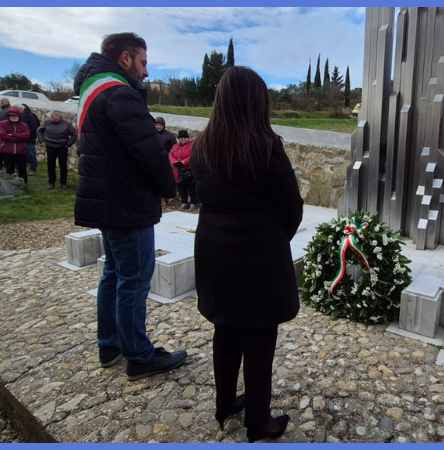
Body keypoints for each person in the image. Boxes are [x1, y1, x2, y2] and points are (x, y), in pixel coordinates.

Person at [191, 66, 303, 443]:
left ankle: (224, 404)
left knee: (225, 330)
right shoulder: (267, 145)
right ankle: (258, 421)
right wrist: (272, 238)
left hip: (214, 251)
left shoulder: (201, 144)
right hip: (258, 255)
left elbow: (204, 195)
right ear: (258, 102)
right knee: (259, 339)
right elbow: (291, 206)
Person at [73, 32, 185, 380]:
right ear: (125, 58)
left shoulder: (94, 88)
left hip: (109, 199)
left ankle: (110, 345)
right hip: (125, 201)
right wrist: (167, 187)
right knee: (134, 280)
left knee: (114, 274)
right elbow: (148, 150)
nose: (146, 72)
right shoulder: (119, 92)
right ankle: (138, 355)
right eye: (143, 62)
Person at [37, 110, 77, 189]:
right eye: (51, 115)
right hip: (50, 145)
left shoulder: (67, 123)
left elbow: (74, 134)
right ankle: (51, 182)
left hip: (62, 146)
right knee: (50, 164)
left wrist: (68, 144)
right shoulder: (47, 122)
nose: (52, 117)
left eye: (54, 115)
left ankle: (63, 182)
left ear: (59, 116)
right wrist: (42, 140)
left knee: (63, 165)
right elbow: (39, 130)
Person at [0, 107, 30, 183]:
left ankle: (24, 184)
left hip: (21, 150)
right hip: (7, 150)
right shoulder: (2, 123)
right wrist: (19, 136)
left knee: (22, 169)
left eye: (15, 116)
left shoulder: (24, 125)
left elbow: (26, 136)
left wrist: (11, 135)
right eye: (11, 115)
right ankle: (10, 185)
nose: (13, 117)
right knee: (9, 169)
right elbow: (2, 135)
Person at [169, 130, 198, 211]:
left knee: (191, 187)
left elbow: (192, 155)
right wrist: (174, 162)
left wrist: (183, 162)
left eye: (185, 138)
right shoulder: (175, 146)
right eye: (181, 138)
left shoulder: (192, 145)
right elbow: (171, 155)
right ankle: (184, 202)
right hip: (178, 170)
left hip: (189, 169)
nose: (183, 139)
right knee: (181, 187)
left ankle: (193, 203)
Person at [19, 104, 41, 176]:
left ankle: (33, 169)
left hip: (29, 139)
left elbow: (34, 127)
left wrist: (25, 134)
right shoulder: (16, 116)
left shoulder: (31, 116)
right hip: (19, 139)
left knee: (31, 154)